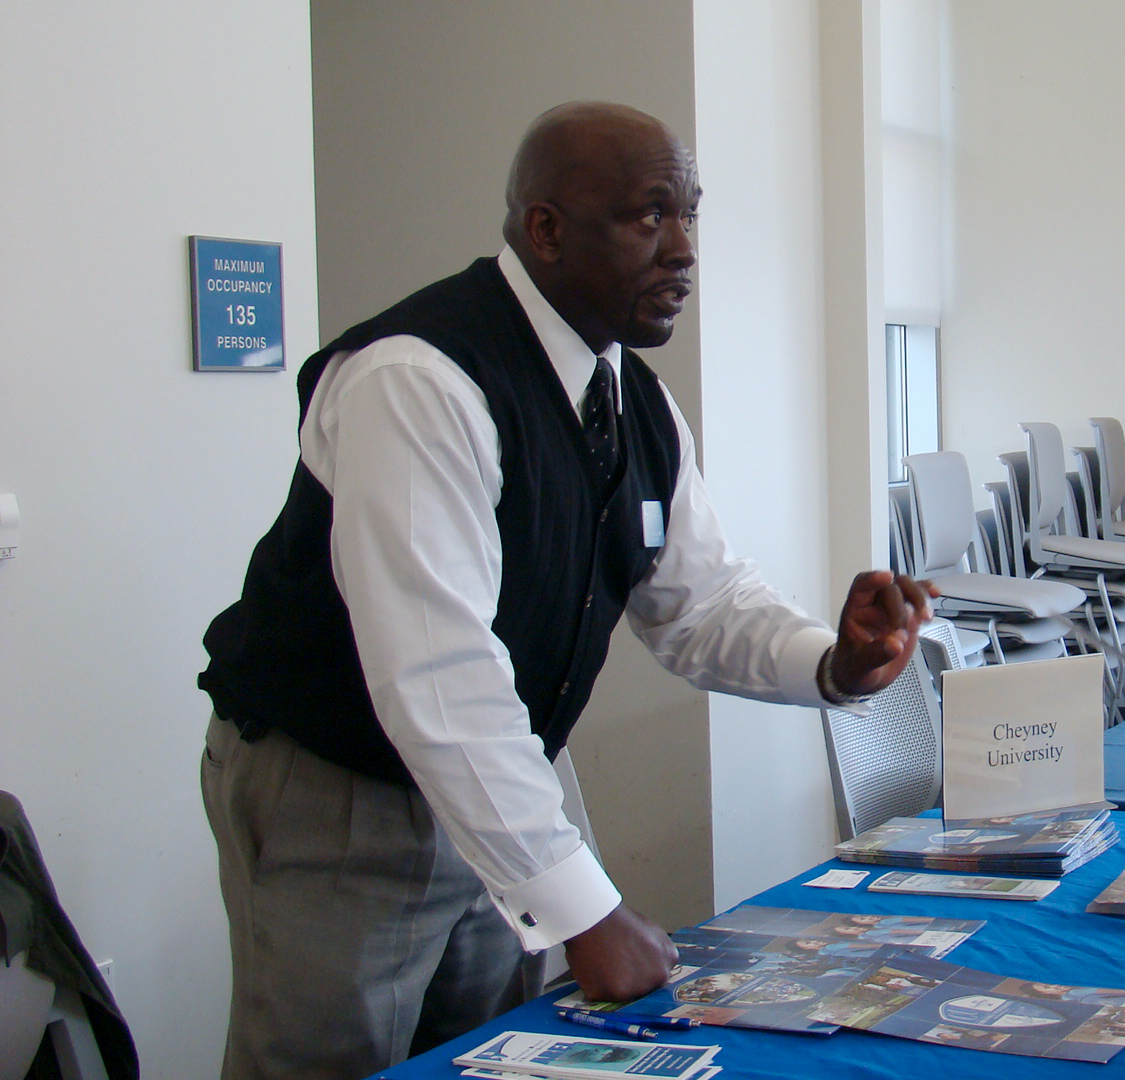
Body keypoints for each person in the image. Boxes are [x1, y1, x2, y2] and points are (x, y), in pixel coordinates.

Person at [197, 101, 933, 1080]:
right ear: (544, 229)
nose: (682, 250)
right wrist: (585, 910)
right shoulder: (418, 380)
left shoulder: (633, 403)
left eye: (690, 216)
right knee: (333, 1066)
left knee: (497, 1058)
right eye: (647, 216)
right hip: (343, 792)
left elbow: (701, 604)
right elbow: (438, 670)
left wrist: (831, 663)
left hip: (501, 769)